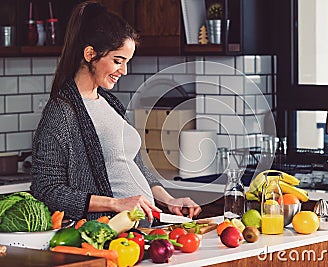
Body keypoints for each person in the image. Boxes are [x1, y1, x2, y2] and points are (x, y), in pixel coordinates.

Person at [30, 1, 201, 224]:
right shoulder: (62, 112)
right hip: (104, 235)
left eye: (127, 62)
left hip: (141, 233)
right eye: (117, 61)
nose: (124, 71)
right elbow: (46, 190)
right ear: (90, 54)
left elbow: (131, 165)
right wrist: (115, 203)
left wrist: (170, 200)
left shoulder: (110, 103)